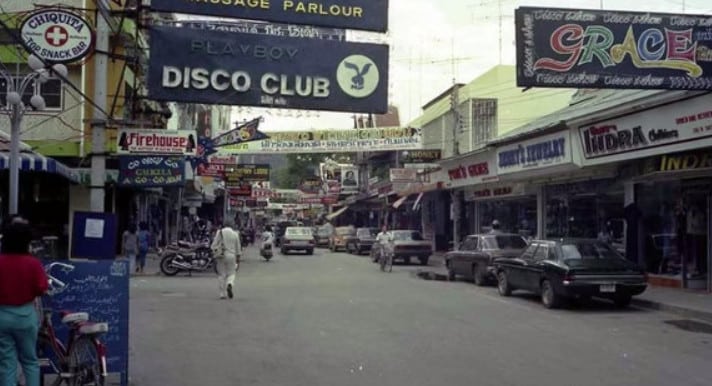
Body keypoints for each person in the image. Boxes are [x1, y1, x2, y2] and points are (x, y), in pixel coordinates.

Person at [0, 219, 49, 386]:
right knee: (30, 361)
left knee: (7, 363)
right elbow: (42, 288)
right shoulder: (33, 264)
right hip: (26, 316)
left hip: (2, 316)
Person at [211, 218, 242, 300]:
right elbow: (238, 248)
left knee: (221, 274)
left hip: (221, 255)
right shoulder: (235, 234)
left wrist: (214, 255)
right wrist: (238, 259)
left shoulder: (219, 232)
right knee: (232, 273)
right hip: (232, 256)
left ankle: (222, 294)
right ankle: (230, 284)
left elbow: (213, 245)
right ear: (232, 225)